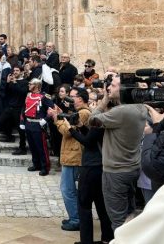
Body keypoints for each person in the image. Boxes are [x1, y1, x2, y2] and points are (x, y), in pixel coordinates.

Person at [89, 75, 149, 231]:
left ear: (123, 89)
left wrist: (104, 100)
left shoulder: (121, 112)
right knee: (129, 215)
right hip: (131, 168)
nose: (109, 88)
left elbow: (91, 120)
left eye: (113, 85)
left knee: (118, 221)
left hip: (115, 172)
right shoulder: (140, 107)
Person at [65, 91, 114, 244]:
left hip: (92, 166)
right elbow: (92, 138)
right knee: (101, 205)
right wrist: (81, 126)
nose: (93, 105)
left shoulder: (99, 120)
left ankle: (86, 241)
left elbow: (88, 142)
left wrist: (71, 129)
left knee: (84, 205)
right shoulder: (107, 120)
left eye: (95, 103)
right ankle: (107, 238)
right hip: (100, 166)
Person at [49, 87, 92, 231]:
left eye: (73, 96)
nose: (70, 99)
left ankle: (76, 219)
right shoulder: (79, 112)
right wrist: (62, 114)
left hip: (74, 156)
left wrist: (56, 119)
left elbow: (67, 132)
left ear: (80, 98)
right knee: (70, 189)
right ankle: (75, 216)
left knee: (68, 190)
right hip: (72, 155)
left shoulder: (84, 113)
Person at [21, 78, 53, 176]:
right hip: (29, 124)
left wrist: (46, 120)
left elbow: (52, 109)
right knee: (32, 146)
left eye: (31, 84)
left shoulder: (44, 97)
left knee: (41, 147)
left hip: (39, 125)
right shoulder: (28, 95)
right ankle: (36, 164)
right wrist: (22, 121)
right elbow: (24, 109)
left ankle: (45, 167)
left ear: (37, 86)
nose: (29, 85)